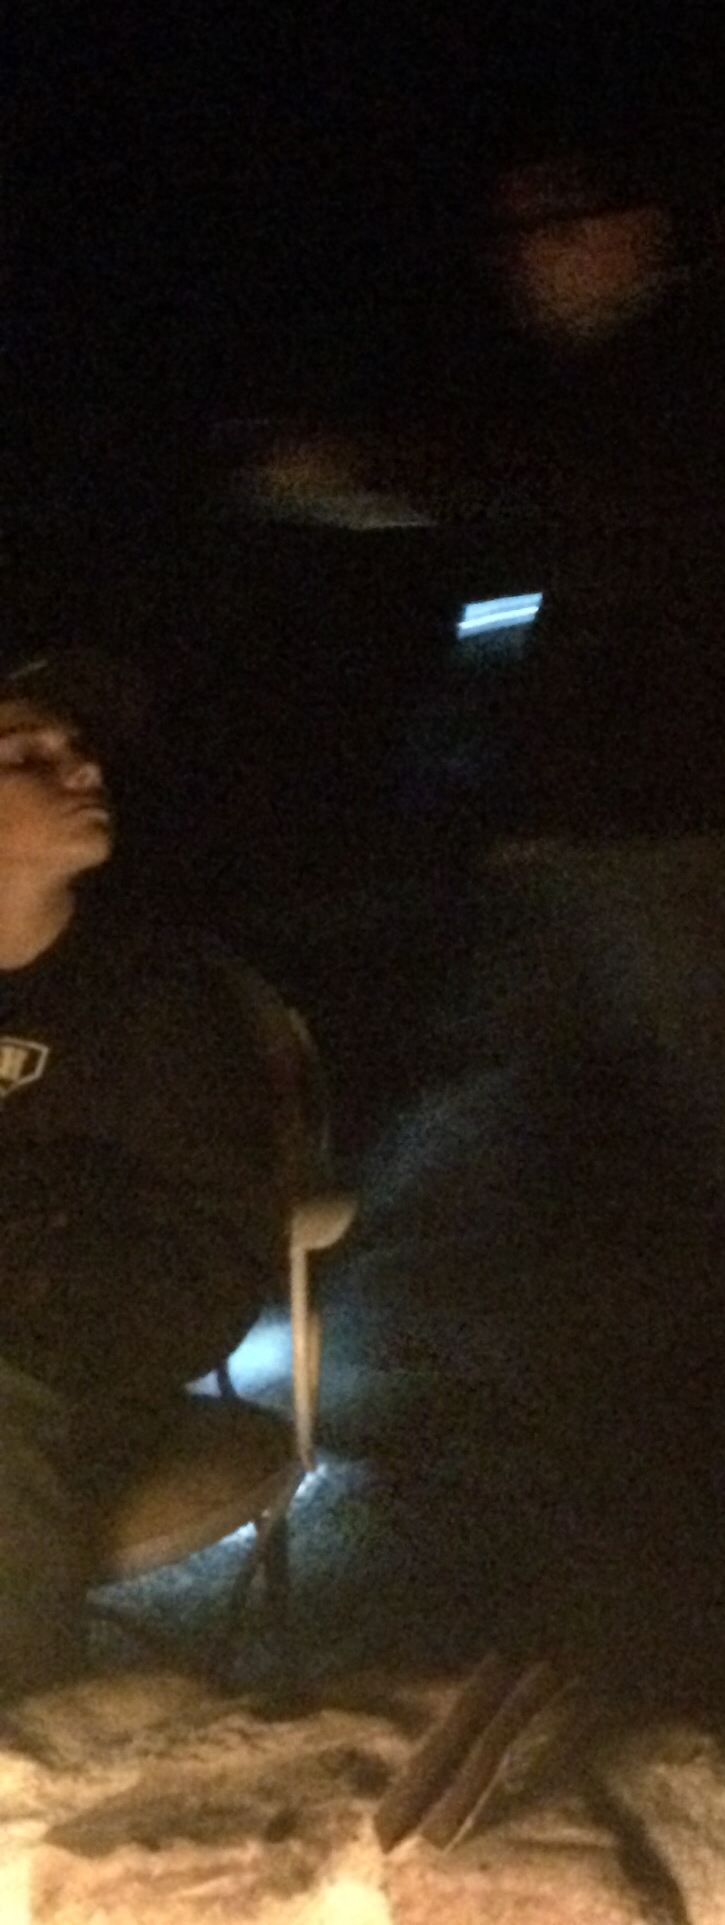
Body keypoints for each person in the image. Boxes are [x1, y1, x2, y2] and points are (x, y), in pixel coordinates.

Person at [0, 655, 287, 1698]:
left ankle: (26, 1744)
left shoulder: (153, 990)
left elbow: (210, 1241)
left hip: (104, 1331)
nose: (81, 769)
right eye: (28, 755)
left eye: (78, 749)